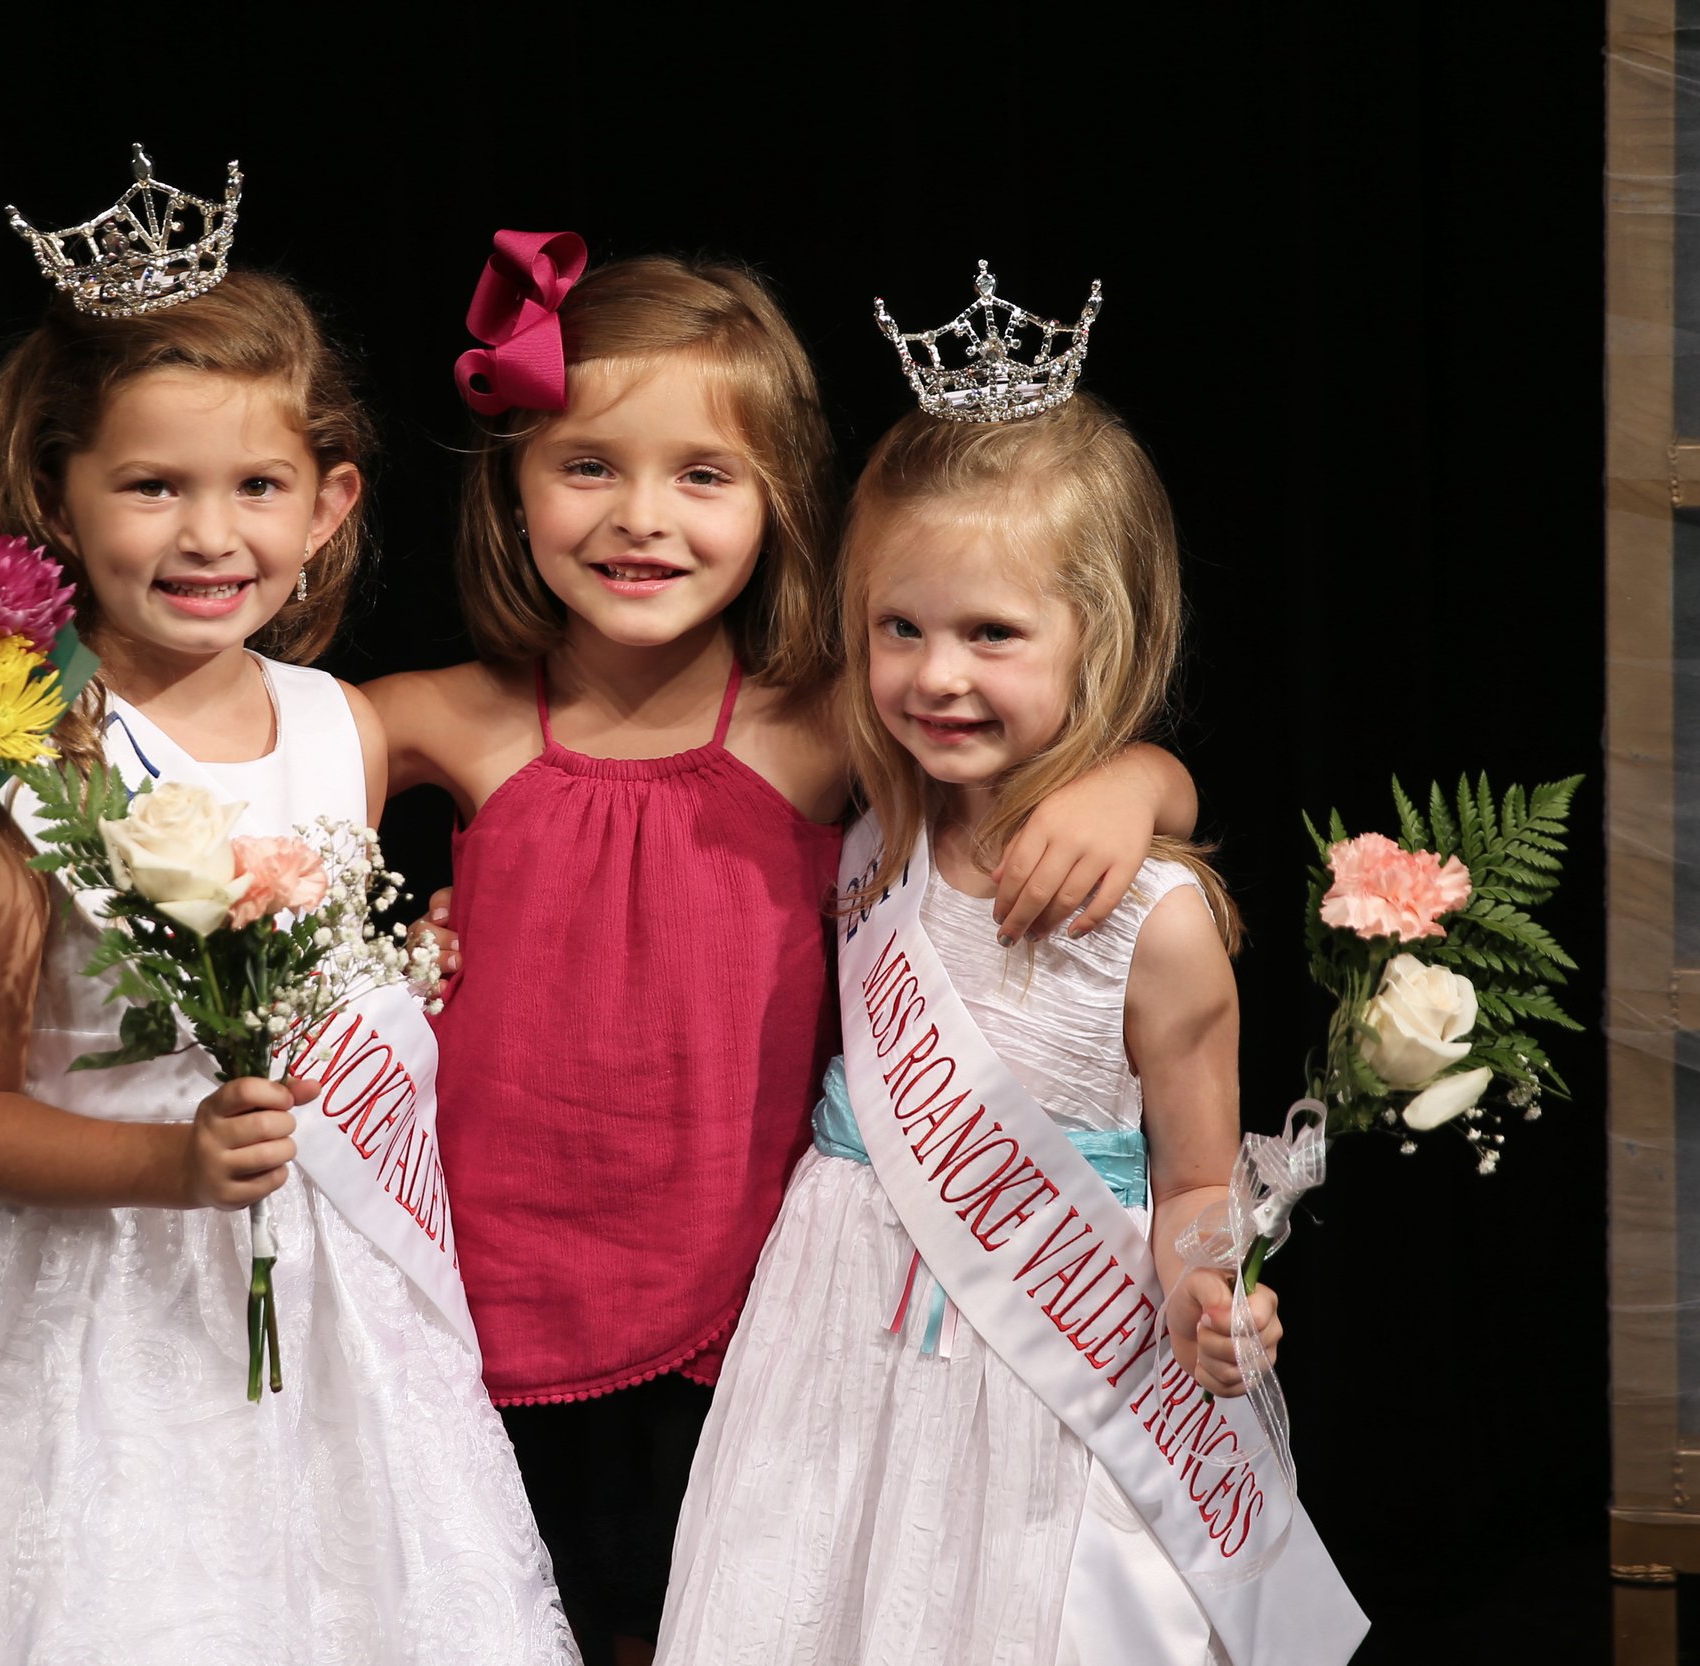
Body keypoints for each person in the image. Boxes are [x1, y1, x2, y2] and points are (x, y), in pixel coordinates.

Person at [0, 162, 576, 1665]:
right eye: (152, 486)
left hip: (317, 1310)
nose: (208, 536)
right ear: (57, 494)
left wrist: (409, 960)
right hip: (73, 1316)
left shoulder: (346, 731)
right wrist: (172, 1163)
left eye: (255, 488)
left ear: (330, 505)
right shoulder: (29, 762)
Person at [364, 235, 1199, 1664]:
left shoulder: (829, 727)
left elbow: (1052, 757)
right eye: (588, 466)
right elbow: (217, 758)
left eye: (703, 474)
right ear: (511, 484)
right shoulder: (446, 719)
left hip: (745, 1331)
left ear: (779, 506)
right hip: (486, 1324)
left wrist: (1142, 783)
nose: (642, 518)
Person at [656, 373, 1359, 1664]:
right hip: (834, 1334)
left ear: (1099, 632)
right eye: (900, 628)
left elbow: (1198, 1177)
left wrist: (1214, 1293)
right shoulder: (879, 826)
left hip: (1051, 1373)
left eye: (992, 633)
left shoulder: (1156, 918)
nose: (937, 675)